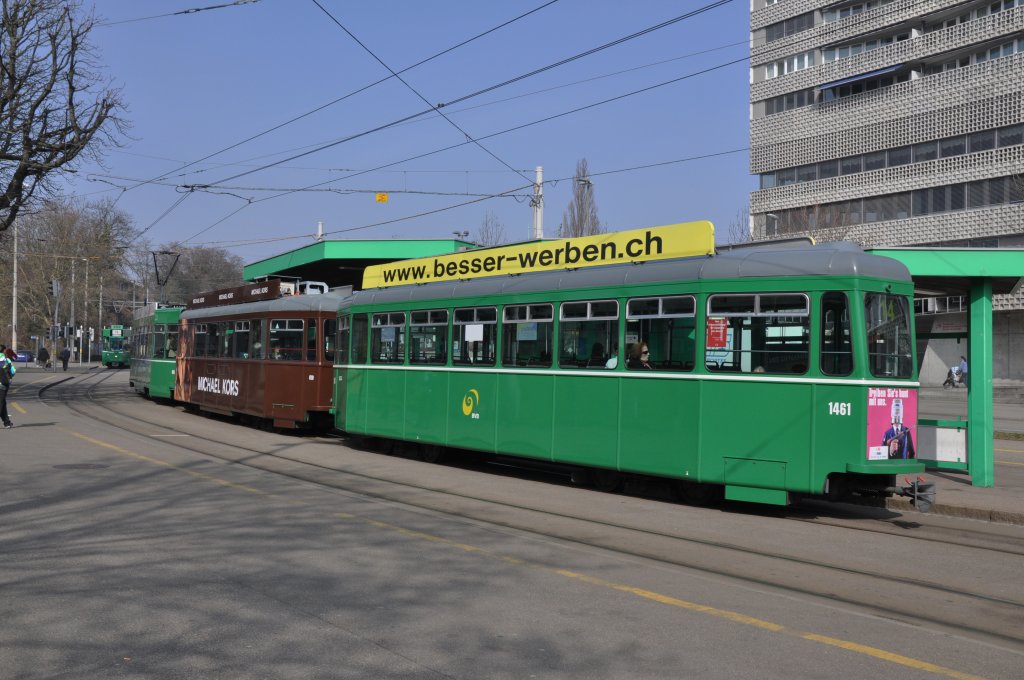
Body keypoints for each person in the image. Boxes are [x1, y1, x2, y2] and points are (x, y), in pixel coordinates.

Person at [0, 348, 15, 428]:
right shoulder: (6, 360)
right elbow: (13, 371)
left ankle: (7, 422)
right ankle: (7, 422)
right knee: (1, 402)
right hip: (3, 383)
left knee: (3, 402)